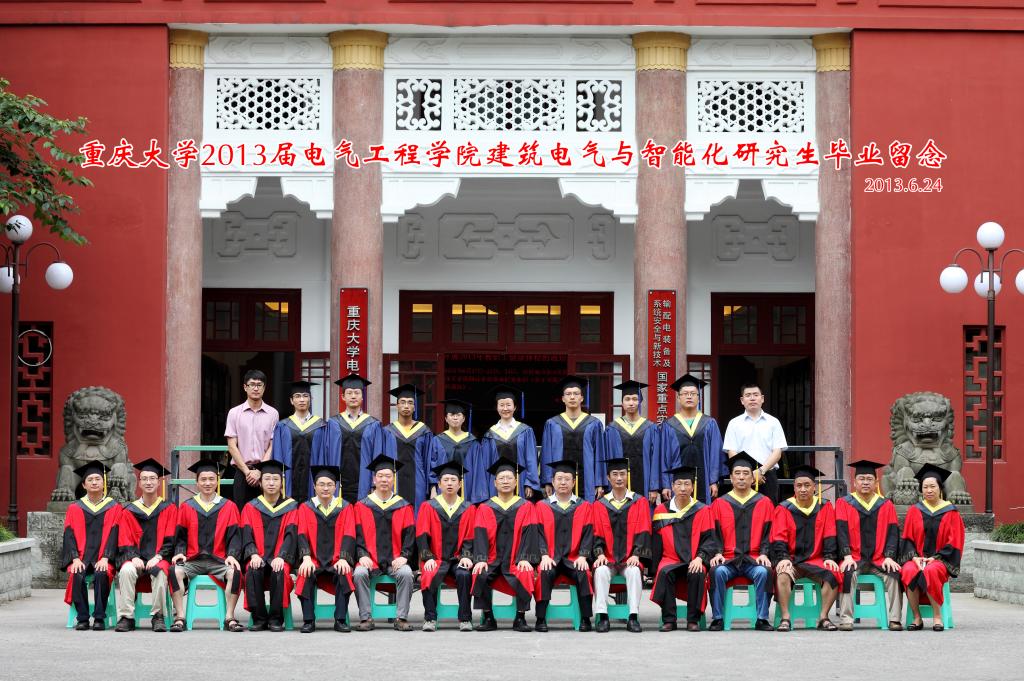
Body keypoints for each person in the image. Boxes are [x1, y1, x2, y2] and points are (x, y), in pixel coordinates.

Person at [172, 456, 244, 633]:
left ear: (217, 481)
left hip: (219, 560)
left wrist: (232, 555)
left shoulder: (229, 506)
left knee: (235, 573)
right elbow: (180, 535)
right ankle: (180, 617)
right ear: (196, 483)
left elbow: (235, 536)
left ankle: (229, 617)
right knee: (174, 571)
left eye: (211, 479)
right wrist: (180, 551)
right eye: (203, 479)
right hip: (193, 560)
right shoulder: (187, 506)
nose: (207, 483)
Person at [707, 451, 775, 632]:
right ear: (731, 478)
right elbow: (713, 533)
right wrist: (717, 553)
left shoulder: (765, 503)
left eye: (746, 473)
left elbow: (770, 533)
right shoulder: (719, 504)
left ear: (753, 478)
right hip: (728, 559)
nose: (742, 477)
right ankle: (718, 618)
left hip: (754, 559)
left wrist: (764, 553)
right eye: (737, 473)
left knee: (764, 572)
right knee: (716, 571)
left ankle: (762, 618)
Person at [769, 464, 841, 632]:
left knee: (833, 573)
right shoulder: (783, 508)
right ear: (794, 487)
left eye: (807, 485)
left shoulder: (824, 506)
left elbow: (830, 534)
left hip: (816, 560)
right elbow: (778, 537)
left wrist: (830, 557)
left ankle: (823, 617)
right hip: (792, 560)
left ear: (814, 487)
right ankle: (785, 618)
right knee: (783, 573)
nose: (803, 489)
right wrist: (783, 558)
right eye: (799, 485)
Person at [835, 459, 903, 631]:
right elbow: (841, 531)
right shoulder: (844, 503)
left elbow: (893, 533)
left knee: (894, 574)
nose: (865, 482)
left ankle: (895, 619)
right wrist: (846, 556)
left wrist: (889, 556)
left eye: (869, 479)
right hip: (854, 557)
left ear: (876, 483)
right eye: (861, 479)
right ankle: (846, 619)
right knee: (847, 573)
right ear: (854, 482)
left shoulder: (886, 505)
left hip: (879, 559)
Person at [351, 454, 416, 632]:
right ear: (374, 479)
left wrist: (404, 556)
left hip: (396, 560)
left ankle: (401, 618)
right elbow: (356, 535)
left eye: (388, 476)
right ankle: (366, 618)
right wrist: (362, 555)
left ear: (394, 479)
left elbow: (410, 536)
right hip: (369, 559)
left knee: (406, 573)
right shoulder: (361, 506)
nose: (384, 480)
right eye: (380, 476)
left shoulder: (404, 506)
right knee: (359, 573)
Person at [472, 460, 538, 633]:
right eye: (501, 478)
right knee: (480, 572)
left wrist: (525, 558)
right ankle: (488, 617)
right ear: (495, 483)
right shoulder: (485, 507)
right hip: (492, 559)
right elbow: (479, 534)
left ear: (516, 482)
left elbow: (530, 533)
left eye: (509, 478)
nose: (506, 481)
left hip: (516, 559)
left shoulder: (526, 506)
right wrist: (481, 559)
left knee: (525, 572)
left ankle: (520, 617)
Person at [650, 465, 718, 632]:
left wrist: (700, 558)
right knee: (664, 572)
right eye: (679, 484)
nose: (682, 488)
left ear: (692, 487)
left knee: (698, 572)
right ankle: (669, 620)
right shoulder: (661, 510)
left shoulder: (703, 510)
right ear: (672, 486)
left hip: (695, 558)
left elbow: (709, 540)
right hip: (670, 559)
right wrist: (653, 570)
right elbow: (656, 543)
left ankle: (693, 620)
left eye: (687, 484)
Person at [114, 458, 179, 632]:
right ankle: (126, 617)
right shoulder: (129, 511)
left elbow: (171, 539)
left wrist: (158, 557)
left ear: (159, 482)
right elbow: (124, 538)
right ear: (139, 483)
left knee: (160, 571)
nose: (148, 482)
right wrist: (133, 557)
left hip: (159, 557)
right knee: (126, 570)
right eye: (144, 479)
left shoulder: (169, 509)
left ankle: (158, 616)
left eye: (152, 478)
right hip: (135, 558)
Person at [900, 464, 965, 632]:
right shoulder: (914, 511)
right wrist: (914, 557)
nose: (929, 490)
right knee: (908, 570)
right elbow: (907, 538)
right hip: (918, 558)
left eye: (932, 486)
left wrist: (935, 558)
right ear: (921, 489)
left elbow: (955, 542)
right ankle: (917, 617)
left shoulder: (951, 512)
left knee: (931, 570)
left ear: (940, 488)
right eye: (925, 487)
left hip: (940, 560)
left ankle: (937, 616)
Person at [590, 457, 652, 633]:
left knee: (634, 572)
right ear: (608, 478)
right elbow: (595, 533)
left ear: (627, 476)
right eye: (615, 474)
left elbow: (644, 530)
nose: (619, 478)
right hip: (608, 558)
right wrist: (600, 553)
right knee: (601, 571)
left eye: (622, 474)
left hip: (630, 558)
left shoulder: (639, 502)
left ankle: (633, 617)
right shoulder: (599, 505)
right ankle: (602, 616)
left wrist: (637, 554)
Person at [533, 460, 594, 632]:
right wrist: (544, 555)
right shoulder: (541, 506)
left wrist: (583, 555)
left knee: (583, 572)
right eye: (559, 479)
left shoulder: (584, 506)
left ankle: (585, 618)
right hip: (551, 558)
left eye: (567, 479)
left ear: (574, 482)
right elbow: (538, 533)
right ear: (552, 482)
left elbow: (588, 532)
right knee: (544, 572)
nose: (563, 482)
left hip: (574, 558)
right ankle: (540, 618)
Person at [294, 465, 356, 633]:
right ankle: (308, 620)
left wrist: (343, 557)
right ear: (314, 486)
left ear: (335, 487)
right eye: (321, 484)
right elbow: (301, 534)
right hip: (313, 559)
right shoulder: (305, 508)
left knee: (344, 571)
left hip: (336, 559)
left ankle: (340, 620)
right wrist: (306, 557)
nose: (325, 488)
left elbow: (349, 533)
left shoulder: (345, 507)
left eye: (329, 484)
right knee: (305, 572)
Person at [61, 462, 122, 631]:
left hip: (104, 557)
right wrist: (74, 558)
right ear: (84, 485)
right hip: (81, 557)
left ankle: (99, 618)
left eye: (98, 479)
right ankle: (82, 618)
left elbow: (115, 534)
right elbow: (69, 535)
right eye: (90, 479)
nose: (94, 482)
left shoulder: (114, 507)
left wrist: (106, 557)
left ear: (104, 483)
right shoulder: (74, 508)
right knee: (77, 573)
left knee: (102, 573)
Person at [417, 460, 476, 632]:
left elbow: (471, 536)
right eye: (446, 480)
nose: (449, 483)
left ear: (460, 484)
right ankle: (430, 618)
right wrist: (427, 557)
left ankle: (465, 618)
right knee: (428, 573)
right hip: (435, 558)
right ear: (439, 484)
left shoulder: (468, 508)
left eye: (453, 480)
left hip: (458, 558)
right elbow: (422, 534)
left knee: (464, 574)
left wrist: (466, 556)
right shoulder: (428, 507)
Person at [239, 460, 299, 632]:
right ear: (260, 482)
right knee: (252, 569)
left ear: (282, 482)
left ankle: (276, 618)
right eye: (267, 479)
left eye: (275, 479)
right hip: (258, 555)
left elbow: (291, 535)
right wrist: (253, 554)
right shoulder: (250, 507)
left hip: (280, 557)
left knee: (280, 570)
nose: (271, 483)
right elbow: (246, 534)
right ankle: (259, 618)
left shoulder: (291, 507)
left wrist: (282, 556)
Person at [660, 374, 726, 504]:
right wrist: (666, 484)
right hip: (677, 482)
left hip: (704, 482)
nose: (689, 396)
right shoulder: (668, 425)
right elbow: (664, 457)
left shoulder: (709, 423)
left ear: (698, 398)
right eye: (685, 394)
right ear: (678, 398)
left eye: (693, 394)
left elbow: (715, 454)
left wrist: (713, 481)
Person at [470, 385, 540, 504]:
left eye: (508, 405)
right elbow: (486, 465)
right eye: (501, 405)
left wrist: (530, 483)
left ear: (515, 407)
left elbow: (531, 459)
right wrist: (486, 488)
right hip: (495, 485)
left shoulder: (525, 431)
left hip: (521, 482)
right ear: (497, 408)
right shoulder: (489, 435)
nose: (505, 408)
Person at [271, 380, 339, 503]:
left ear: (310, 399)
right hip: (289, 481)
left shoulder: (321, 426)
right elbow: (277, 456)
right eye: (297, 396)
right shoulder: (282, 426)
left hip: (312, 481)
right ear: (291, 401)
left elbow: (325, 456)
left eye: (305, 396)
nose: (302, 400)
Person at [541, 376, 605, 501]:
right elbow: (547, 454)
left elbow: (599, 454)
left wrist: (599, 482)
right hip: (560, 481)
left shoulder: (594, 424)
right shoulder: (552, 424)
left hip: (587, 480)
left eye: (576, 394)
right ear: (563, 399)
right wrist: (548, 480)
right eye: (568, 394)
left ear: (582, 398)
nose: (572, 397)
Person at [721, 383, 787, 503]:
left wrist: (761, 471)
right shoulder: (734, 423)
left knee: (769, 511)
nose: (752, 398)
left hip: (767, 476)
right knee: (741, 511)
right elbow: (731, 452)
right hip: (742, 477)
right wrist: (748, 474)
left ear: (762, 398)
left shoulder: (773, 422)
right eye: (748, 395)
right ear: (742, 400)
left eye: (756, 395)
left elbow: (777, 452)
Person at [225, 369, 279, 510]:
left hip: (265, 473)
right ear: (245, 387)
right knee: (242, 513)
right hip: (242, 472)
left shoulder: (273, 414)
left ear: (264, 388)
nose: (256, 388)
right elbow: (232, 445)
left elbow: (272, 445)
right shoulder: (234, 413)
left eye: (259, 385)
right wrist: (247, 472)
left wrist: (260, 470)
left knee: (266, 514)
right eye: (252, 384)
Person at [330, 373, 385, 504]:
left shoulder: (373, 424)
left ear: (362, 397)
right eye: (349, 393)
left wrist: (374, 483)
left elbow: (377, 455)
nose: (353, 396)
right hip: (339, 482)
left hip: (364, 482)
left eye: (357, 393)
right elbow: (328, 455)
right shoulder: (333, 423)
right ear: (343, 397)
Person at [381, 384, 437, 510]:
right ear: (397, 406)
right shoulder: (387, 432)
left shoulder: (424, 431)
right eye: (402, 402)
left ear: (414, 407)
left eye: (410, 402)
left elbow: (430, 461)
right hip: (394, 483)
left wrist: (433, 488)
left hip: (418, 483)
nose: (406, 406)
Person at [605, 380, 661, 504]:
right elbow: (608, 458)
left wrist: (654, 486)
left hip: (644, 484)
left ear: (640, 401)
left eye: (635, 399)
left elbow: (655, 459)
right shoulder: (612, 428)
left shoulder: (650, 428)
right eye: (627, 399)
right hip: (619, 484)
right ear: (622, 403)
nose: (631, 403)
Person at [433, 398, 477, 470]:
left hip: (466, 477)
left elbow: (477, 466)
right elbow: (432, 465)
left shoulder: (472, 441)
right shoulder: (437, 441)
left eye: (458, 415)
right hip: (444, 477)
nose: (455, 418)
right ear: (446, 419)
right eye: (452, 415)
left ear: (463, 419)